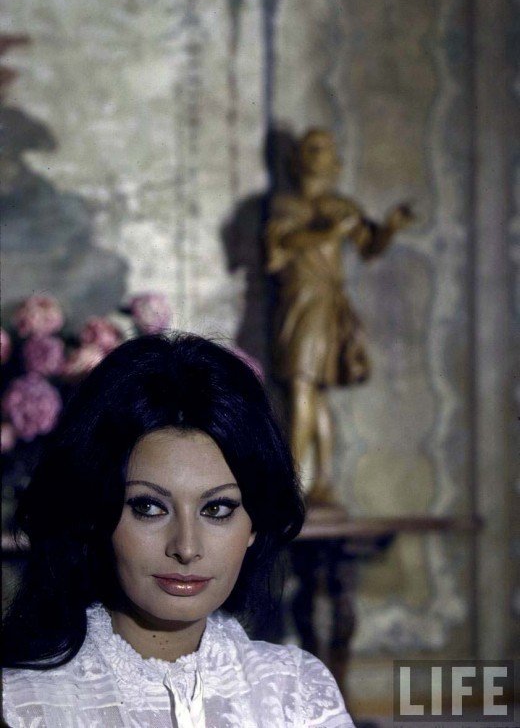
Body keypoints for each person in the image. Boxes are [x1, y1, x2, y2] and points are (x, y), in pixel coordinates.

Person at [2, 332, 354, 727]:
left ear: (254, 524)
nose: (186, 548)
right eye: (149, 507)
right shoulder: (20, 703)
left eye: (216, 509)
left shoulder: (299, 691)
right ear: (94, 513)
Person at [266, 128, 414, 505]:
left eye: (326, 149)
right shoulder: (286, 204)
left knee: (310, 387)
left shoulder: (341, 205)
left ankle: (312, 482)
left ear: (336, 163)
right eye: (313, 148)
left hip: (326, 303)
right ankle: (298, 482)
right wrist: (330, 232)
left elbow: (368, 246)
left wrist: (390, 228)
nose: (320, 155)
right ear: (297, 159)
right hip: (299, 299)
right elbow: (284, 241)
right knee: (304, 387)